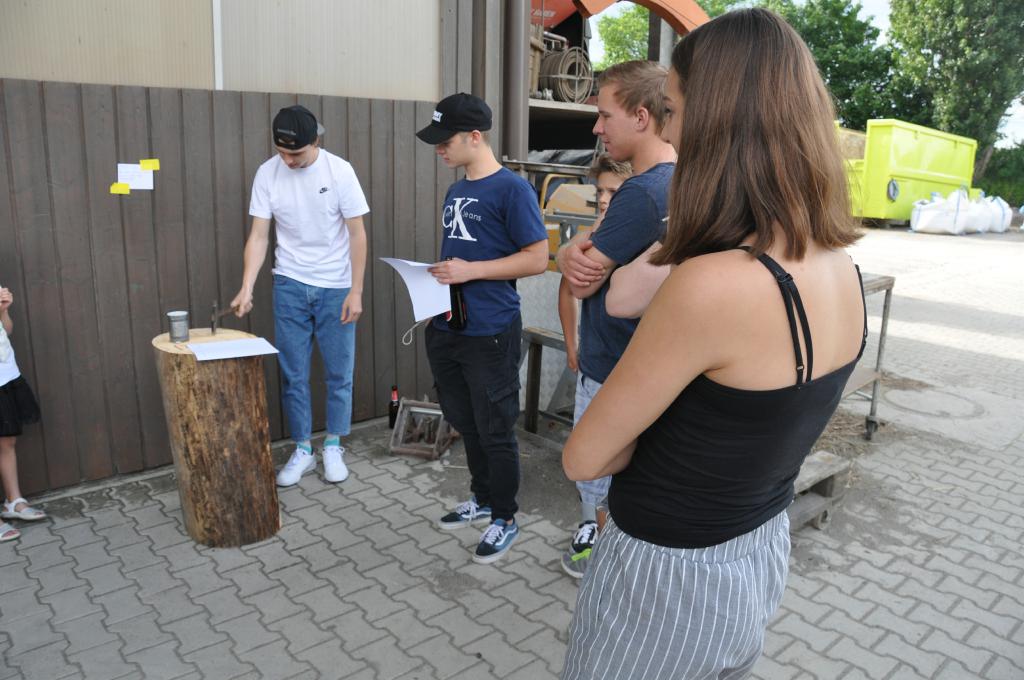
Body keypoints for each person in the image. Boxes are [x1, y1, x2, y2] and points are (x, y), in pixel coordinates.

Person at [560, 9, 866, 679]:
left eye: (672, 110)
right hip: (757, 548)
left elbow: (586, 456)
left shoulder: (713, 285)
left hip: (666, 574)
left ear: (719, 120)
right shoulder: (841, 265)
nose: (667, 131)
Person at [555, 61, 677, 578]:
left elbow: (582, 283)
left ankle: (611, 577)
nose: (597, 128)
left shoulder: (641, 192)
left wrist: (566, 253)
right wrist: (571, 253)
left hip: (612, 369)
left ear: (642, 117)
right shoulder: (684, 181)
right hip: (652, 365)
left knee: (602, 487)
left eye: (605, 116)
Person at [415, 93, 549, 564]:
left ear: (475, 137)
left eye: (445, 140)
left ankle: (505, 517)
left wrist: (470, 271)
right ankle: (483, 498)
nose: (439, 149)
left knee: (495, 427)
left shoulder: (513, 190)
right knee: (466, 420)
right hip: (449, 325)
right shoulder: (456, 191)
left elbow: (537, 258)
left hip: (490, 329)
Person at [231, 105, 369, 487]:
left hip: (336, 286)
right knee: (293, 374)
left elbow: (357, 233)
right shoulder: (267, 173)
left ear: (315, 142)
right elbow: (259, 235)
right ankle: (304, 449)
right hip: (289, 284)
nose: (288, 160)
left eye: (296, 153)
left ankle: (334, 444)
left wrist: (356, 290)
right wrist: (247, 286)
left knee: (339, 372)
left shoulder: (340, 171)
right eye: (282, 152)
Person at [557, 154, 632, 374]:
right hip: (596, 364)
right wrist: (572, 346)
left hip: (631, 363)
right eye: (600, 191)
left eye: (613, 192)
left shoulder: (643, 233)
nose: (602, 198)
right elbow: (567, 287)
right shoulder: (589, 236)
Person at [0, 284, 46, 542]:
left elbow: (5, 331)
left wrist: (3, 311)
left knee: (7, 441)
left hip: (5, 375)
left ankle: (13, 501)